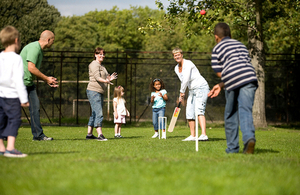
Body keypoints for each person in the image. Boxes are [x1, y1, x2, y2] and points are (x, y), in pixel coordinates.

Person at [207, 23, 258, 154]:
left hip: (232, 79)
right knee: (245, 110)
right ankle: (249, 139)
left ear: (216, 37)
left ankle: (232, 148)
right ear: (230, 35)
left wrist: (223, 80)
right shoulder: (240, 44)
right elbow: (242, 65)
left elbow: (218, 70)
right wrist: (221, 85)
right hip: (249, 76)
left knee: (230, 113)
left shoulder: (217, 48)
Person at [20, 30, 58, 141]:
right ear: (48, 40)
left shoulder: (39, 50)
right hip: (19, 83)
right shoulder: (34, 48)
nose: (53, 43)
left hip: (28, 83)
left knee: (35, 108)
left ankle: (38, 135)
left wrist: (48, 80)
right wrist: (46, 79)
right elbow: (31, 68)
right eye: (53, 41)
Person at [0, 26, 29, 157]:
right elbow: (18, 80)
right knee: (14, 120)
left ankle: (1, 148)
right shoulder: (16, 59)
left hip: (0, 96)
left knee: (0, 120)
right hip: (12, 97)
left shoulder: (0, 57)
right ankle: (10, 148)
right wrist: (24, 99)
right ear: (16, 40)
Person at [173, 48, 210, 141]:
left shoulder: (188, 63)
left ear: (182, 55)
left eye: (178, 54)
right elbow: (183, 82)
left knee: (199, 110)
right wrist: (181, 94)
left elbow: (186, 79)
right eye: (175, 55)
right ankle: (193, 136)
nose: (177, 56)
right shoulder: (176, 68)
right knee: (189, 112)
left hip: (201, 87)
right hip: (192, 90)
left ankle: (203, 134)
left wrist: (182, 91)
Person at [86, 47, 117, 141]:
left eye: (103, 54)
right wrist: (106, 81)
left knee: (95, 113)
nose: (102, 55)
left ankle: (89, 134)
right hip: (93, 91)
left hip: (100, 91)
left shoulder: (102, 66)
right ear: (95, 54)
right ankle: (100, 135)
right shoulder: (94, 64)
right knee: (99, 112)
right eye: (100, 54)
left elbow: (105, 78)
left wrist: (109, 78)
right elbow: (97, 78)